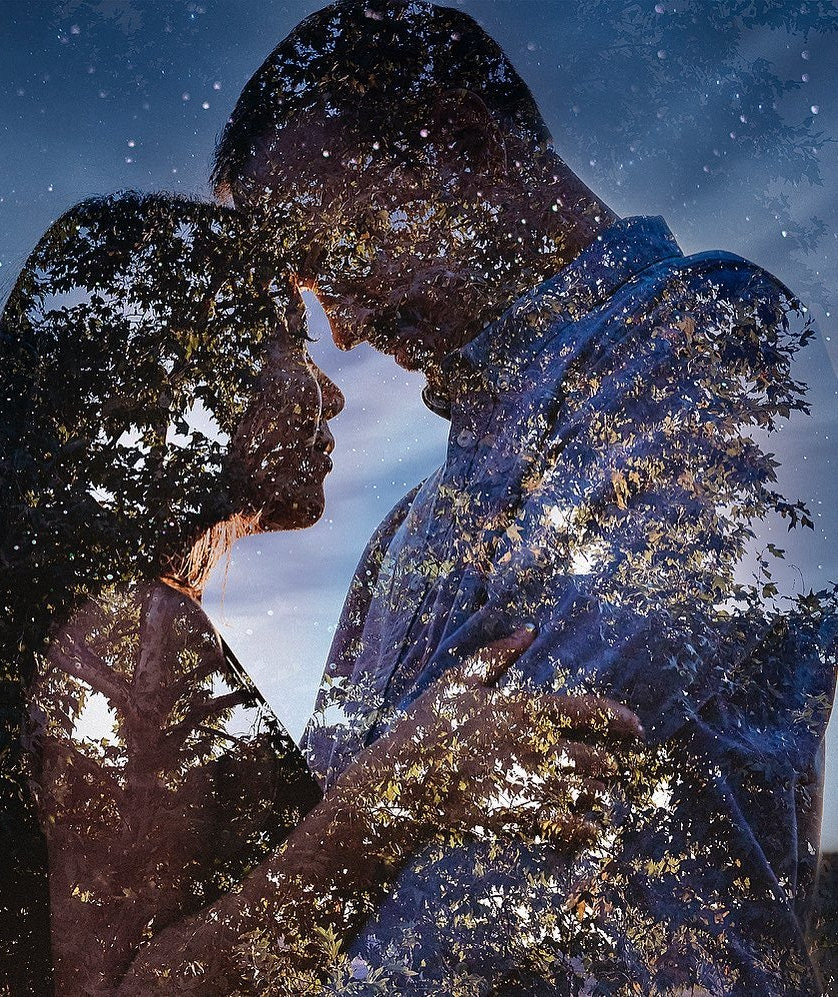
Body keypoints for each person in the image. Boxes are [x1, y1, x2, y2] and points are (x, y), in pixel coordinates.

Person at [0, 190, 643, 997]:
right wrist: (404, 787)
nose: (329, 393)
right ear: (178, 381)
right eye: (291, 347)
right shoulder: (132, 630)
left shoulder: (104, 622)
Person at [212, 2, 838, 993]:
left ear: (466, 148)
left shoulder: (711, 334)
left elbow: (530, 813)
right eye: (310, 287)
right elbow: (316, 860)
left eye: (346, 251)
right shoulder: (396, 537)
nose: (343, 328)